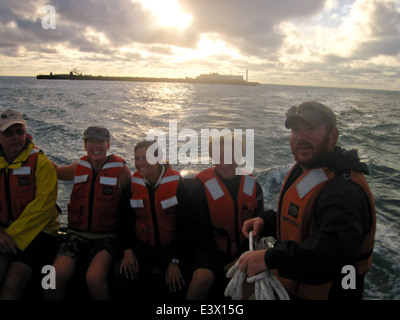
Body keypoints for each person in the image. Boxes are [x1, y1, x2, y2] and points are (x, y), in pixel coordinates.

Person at [239, 101, 376, 300]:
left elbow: (332, 256)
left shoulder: (344, 192)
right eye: (295, 129)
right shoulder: (306, 169)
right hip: (291, 284)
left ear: (333, 136)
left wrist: (269, 258)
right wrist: (267, 222)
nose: (301, 137)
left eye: (310, 128)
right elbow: (302, 217)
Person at [46, 126, 131, 300]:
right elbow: (55, 172)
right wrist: (34, 151)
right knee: (51, 279)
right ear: (85, 146)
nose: (95, 146)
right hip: (75, 236)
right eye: (91, 141)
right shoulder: (79, 167)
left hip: (106, 240)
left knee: (94, 278)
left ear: (108, 145)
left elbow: (133, 203)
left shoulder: (121, 171)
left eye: (100, 141)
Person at [185, 132, 265, 300]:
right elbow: (201, 233)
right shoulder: (202, 188)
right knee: (201, 279)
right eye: (219, 157)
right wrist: (223, 265)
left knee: (251, 283)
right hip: (210, 249)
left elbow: (258, 225)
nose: (225, 162)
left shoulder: (252, 185)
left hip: (243, 249)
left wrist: (240, 259)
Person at [116, 140, 194, 300]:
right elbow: (125, 223)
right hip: (143, 248)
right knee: (122, 274)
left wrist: (176, 261)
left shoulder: (177, 185)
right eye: (137, 158)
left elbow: (187, 228)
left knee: (176, 285)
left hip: (171, 250)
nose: (140, 163)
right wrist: (128, 251)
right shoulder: (133, 185)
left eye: (146, 157)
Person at [0, 109, 60, 299]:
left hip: (39, 234)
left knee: (12, 283)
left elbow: (42, 210)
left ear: (26, 133)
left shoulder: (41, 164)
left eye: (20, 131)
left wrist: (8, 237)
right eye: (8, 133)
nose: (15, 137)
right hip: (3, 233)